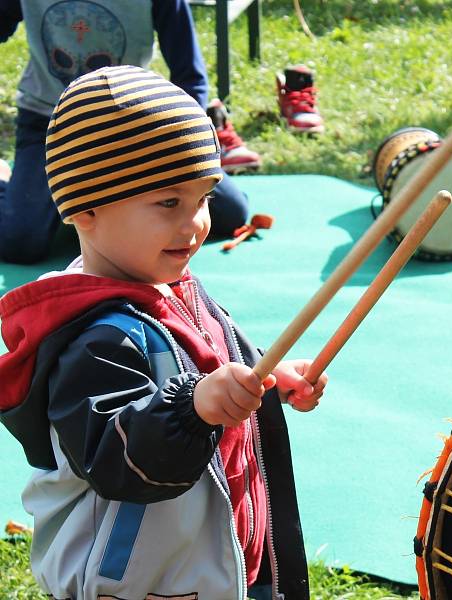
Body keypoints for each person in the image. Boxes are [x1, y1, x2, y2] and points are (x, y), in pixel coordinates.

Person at [0, 66, 325, 600]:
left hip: (216, 557)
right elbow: (122, 461)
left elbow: (212, 358)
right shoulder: (92, 338)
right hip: (148, 582)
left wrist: (271, 376)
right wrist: (194, 406)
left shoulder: (172, 286)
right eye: (169, 203)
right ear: (85, 209)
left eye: (203, 199)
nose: (196, 224)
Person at [0, 0, 260, 264]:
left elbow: (190, 74)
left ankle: (56, 192)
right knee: (20, 242)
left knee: (230, 212)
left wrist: (184, 142)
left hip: (133, 125)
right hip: (48, 122)